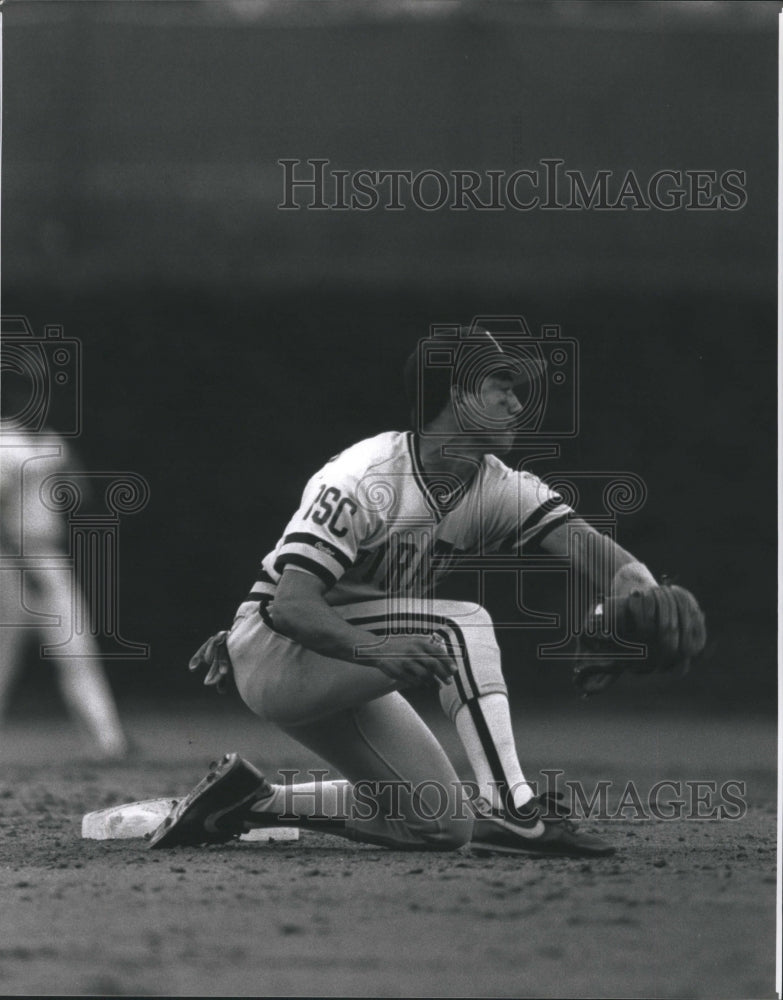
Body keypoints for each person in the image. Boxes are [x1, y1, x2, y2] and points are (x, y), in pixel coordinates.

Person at [150, 325, 703, 856]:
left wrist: (639, 596)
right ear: (459, 397)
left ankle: (248, 803)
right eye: (502, 388)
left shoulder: (498, 487)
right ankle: (515, 808)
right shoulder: (365, 477)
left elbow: (601, 559)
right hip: (279, 650)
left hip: (335, 663)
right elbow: (291, 605)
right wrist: (375, 649)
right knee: (462, 623)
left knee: (440, 823)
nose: (517, 405)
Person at [0, 377, 129, 759]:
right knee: (3, 660)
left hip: (48, 557)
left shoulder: (51, 439)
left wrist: (67, 469)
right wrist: (23, 566)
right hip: (12, 561)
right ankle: (109, 739)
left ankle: (109, 741)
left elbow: (79, 488)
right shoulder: (5, 441)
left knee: (77, 649)